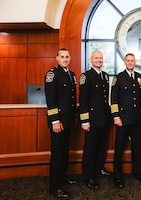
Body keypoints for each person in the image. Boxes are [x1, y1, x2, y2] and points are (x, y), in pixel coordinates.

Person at [110, 53, 141, 189]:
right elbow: (113, 99)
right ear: (124, 62)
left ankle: (136, 171)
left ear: (135, 62)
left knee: (136, 147)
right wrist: (116, 117)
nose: (131, 63)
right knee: (119, 148)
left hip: (137, 119)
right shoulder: (118, 78)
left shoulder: (140, 77)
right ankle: (117, 176)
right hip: (123, 119)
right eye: (128, 60)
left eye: (133, 60)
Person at [45, 48, 77, 199]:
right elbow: (50, 100)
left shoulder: (71, 75)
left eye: (67, 57)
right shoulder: (52, 74)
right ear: (57, 58)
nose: (65, 59)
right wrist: (55, 121)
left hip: (68, 119)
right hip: (58, 121)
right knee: (57, 154)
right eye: (62, 57)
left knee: (64, 151)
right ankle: (54, 186)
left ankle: (62, 177)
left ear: (70, 58)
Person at [79, 50, 112, 190]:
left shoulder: (105, 76)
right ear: (91, 60)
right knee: (90, 147)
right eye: (96, 58)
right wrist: (85, 121)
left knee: (101, 146)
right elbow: (83, 100)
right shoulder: (86, 76)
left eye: (100, 57)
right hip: (92, 119)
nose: (99, 60)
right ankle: (88, 176)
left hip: (104, 118)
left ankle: (98, 168)